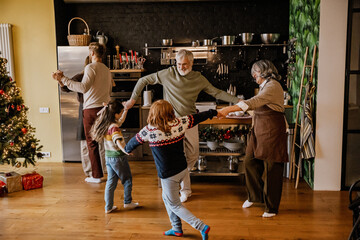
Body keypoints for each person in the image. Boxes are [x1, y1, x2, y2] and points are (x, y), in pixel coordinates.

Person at [124, 49, 240, 202]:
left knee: (193, 154)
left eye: (185, 64)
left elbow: (217, 92)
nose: (181, 67)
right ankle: (185, 189)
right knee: (176, 157)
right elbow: (142, 80)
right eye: (179, 64)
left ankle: (178, 180)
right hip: (170, 124)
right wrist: (133, 99)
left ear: (192, 63)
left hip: (189, 121)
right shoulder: (167, 74)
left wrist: (239, 102)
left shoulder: (198, 78)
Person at [125, 100, 214, 239]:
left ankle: (201, 226)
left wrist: (126, 150)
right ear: (171, 112)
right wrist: (211, 112)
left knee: (175, 204)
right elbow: (197, 117)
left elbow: (132, 143)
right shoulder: (179, 123)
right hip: (182, 169)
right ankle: (176, 228)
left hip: (168, 174)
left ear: (153, 113)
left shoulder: (150, 130)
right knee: (167, 199)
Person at [218, 59, 288, 218]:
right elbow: (256, 106)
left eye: (255, 72)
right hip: (259, 130)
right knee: (249, 161)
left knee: (272, 169)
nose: (254, 76)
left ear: (263, 71)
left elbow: (255, 102)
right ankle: (255, 196)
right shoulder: (264, 86)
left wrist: (229, 108)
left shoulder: (273, 85)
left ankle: (271, 207)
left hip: (273, 131)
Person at [52, 42, 112, 183]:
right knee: (104, 142)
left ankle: (96, 176)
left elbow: (83, 88)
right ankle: (108, 172)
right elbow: (109, 91)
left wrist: (63, 79)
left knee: (91, 143)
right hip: (104, 109)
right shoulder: (106, 69)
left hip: (91, 109)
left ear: (92, 53)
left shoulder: (91, 67)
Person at [90, 100, 139, 213]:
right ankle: (127, 202)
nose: (121, 114)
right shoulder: (114, 128)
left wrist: (126, 109)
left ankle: (108, 207)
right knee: (127, 180)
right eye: (121, 112)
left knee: (111, 182)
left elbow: (121, 121)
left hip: (109, 157)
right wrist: (125, 150)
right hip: (118, 157)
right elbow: (117, 140)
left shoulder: (107, 124)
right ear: (115, 114)